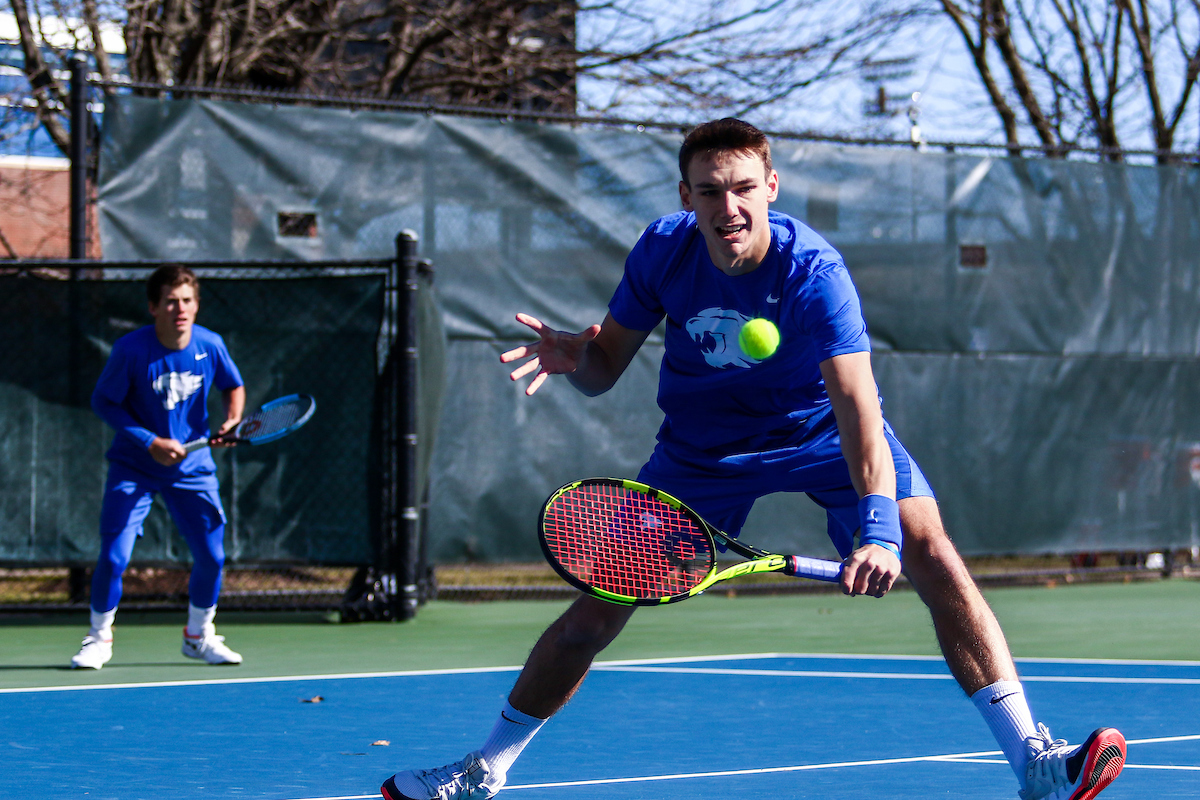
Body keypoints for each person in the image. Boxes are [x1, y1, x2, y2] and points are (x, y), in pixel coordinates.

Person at [381, 119, 1126, 800]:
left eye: (742, 188)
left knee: (931, 551)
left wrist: (879, 532)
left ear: (770, 187)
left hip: (822, 438)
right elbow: (609, 364)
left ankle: (1034, 762)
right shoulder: (662, 251)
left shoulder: (814, 274)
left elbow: (859, 411)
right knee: (595, 611)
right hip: (701, 455)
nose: (727, 206)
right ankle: (485, 770)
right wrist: (579, 359)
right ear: (687, 195)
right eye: (709, 191)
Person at [70, 265, 246, 669]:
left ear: (196, 305)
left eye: (186, 300)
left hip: (194, 467)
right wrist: (149, 441)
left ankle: (199, 636)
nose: (179, 308)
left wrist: (231, 419)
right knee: (114, 558)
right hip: (135, 466)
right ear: (153, 307)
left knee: (212, 557)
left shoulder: (211, 345)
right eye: (170, 300)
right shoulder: (130, 351)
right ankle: (98, 638)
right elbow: (104, 402)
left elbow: (232, 386)